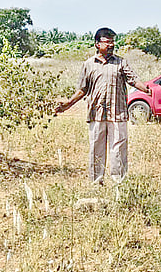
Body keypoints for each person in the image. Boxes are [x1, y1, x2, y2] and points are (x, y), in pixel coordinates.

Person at [56, 27, 152, 184]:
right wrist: (68, 104)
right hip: (97, 113)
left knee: (118, 149)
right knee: (96, 149)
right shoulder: (88, 65)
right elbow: (82, 89)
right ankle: (96, 182)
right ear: (97, 44)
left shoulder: (121, 63)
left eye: (112, 42)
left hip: (118, 113)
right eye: (107, 42)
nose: (111, 45)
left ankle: (118, 183)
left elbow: (133, 79)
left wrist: (146, 89)